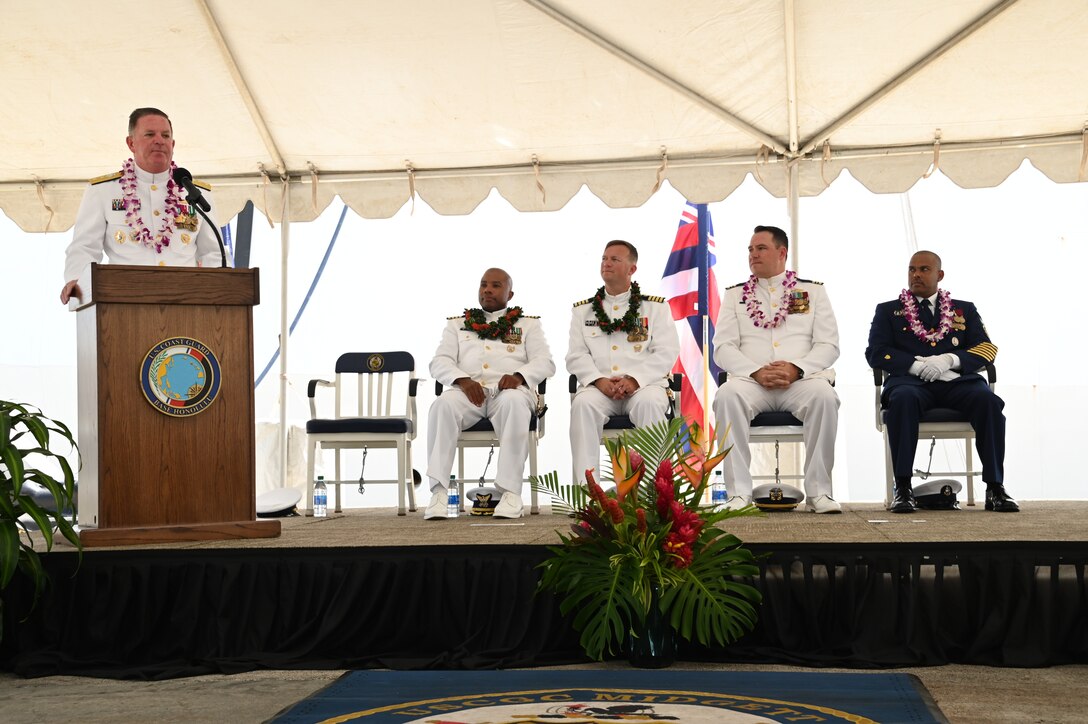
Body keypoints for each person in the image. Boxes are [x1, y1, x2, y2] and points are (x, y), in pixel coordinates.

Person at [866, 250, 1017, 513]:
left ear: (940, 275)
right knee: (901, 401)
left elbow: (986, 349)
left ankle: (995, 487)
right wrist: (914, 365)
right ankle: (902, 487)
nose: (916, 275)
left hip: (958, 383)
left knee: (989, 402)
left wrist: (949, 360)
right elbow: (876, 352)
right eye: (912, 269)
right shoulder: (889, 311)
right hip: (910, 384)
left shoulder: (964, 309)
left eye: (924, 269)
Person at [712, 225, 842, 513]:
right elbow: (722, 348)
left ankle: (820, 492)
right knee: (726, 395)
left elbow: (829, 345)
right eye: (750, 249)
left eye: (761, 248)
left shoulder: (812, 292)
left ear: (781, 253)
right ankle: (737, 495)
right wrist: (755, 371)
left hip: (800, 382)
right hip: (752, 383)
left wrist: (798, 368)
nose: (753, 254)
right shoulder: (735, 295)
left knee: (825, 397)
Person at [425, 268, 555, 519]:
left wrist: (518, 377)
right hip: (468, 394)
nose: (487, 290)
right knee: (442, 405)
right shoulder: (457, 324)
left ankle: (510, 493)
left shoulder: (528, 324)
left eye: (496, 285)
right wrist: (462, 380)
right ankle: (439, 493)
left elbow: (545, 362)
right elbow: (439, 362)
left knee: (515, 402)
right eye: (484, 284)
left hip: (508, 392)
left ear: (510, 293)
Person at [60, 107, 224, 305]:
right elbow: (84, 247)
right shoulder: (103, 191)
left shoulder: (196, 193)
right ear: (131, 143)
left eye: (165, 135)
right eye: (149, 134)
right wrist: (78, 280)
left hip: (186, 305)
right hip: (122, 305)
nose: (159, 140)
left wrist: (221, 292)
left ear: (172, 144)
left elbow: (213, 253)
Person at [566, 240, 680, 483]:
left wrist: (634, 379)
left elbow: (667, 351)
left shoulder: (655, 308)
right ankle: (589, 493)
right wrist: (598, 380)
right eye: (604, 258)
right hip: (600, 388)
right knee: (582, 405)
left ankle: (653, 491)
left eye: (615, 259)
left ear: (632, 269)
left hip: (644, 387)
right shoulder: (583, 311)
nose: (606, 263)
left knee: (649, 403)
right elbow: (576, 355)